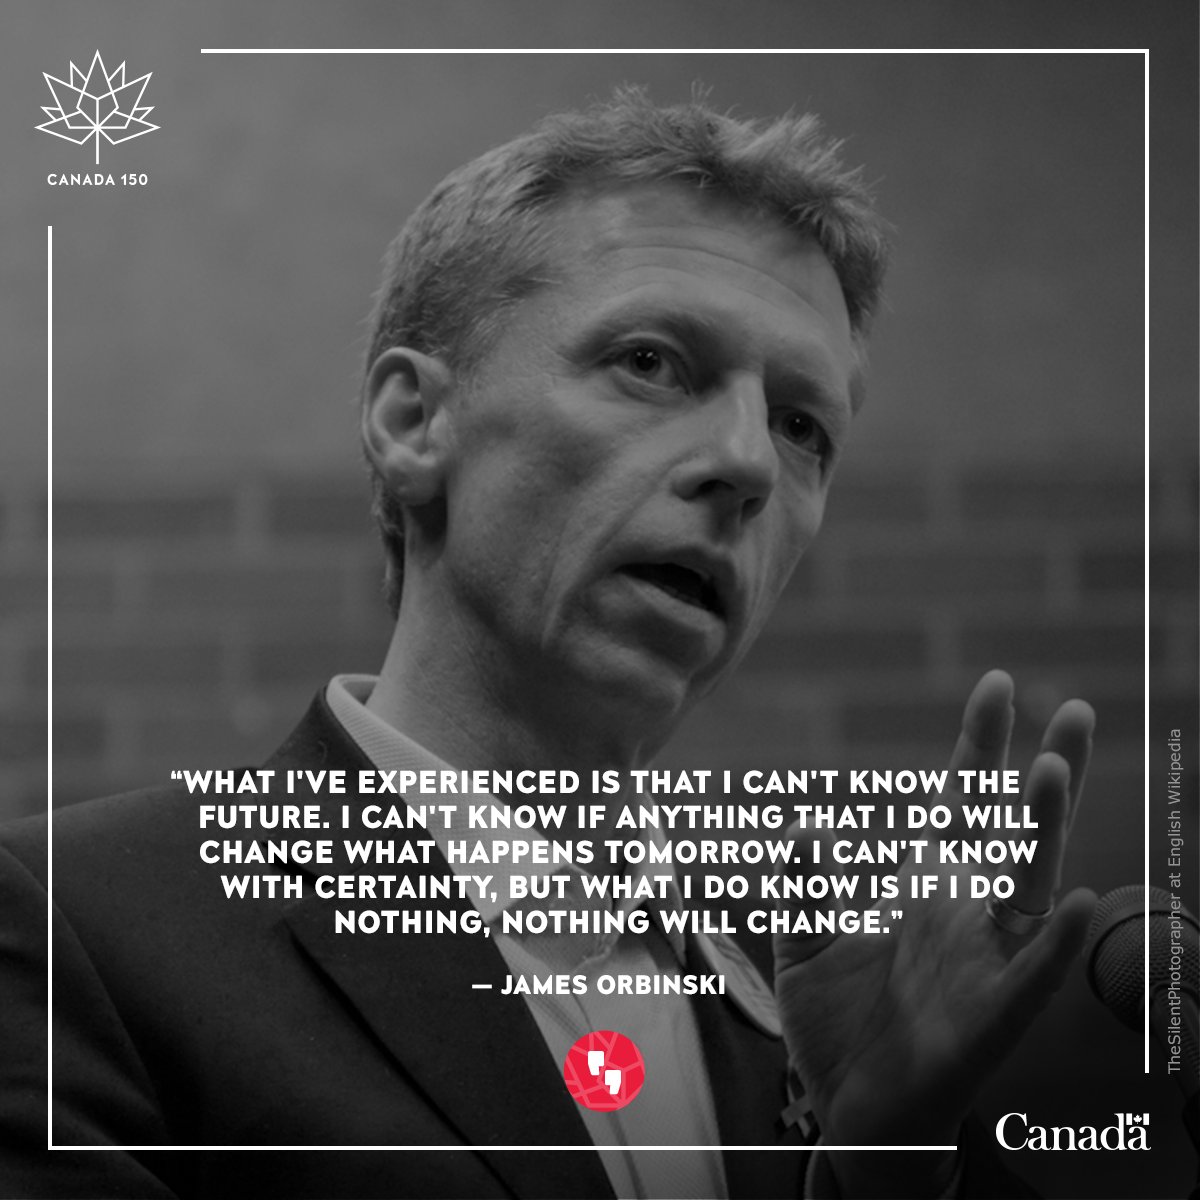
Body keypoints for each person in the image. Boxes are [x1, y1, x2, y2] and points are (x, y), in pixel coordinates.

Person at [1, 89, 1096, 1199]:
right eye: (652, 362)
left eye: (801, 425)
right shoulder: (74, 932)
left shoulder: (835, 993)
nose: (749, 464)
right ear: (413, 423)